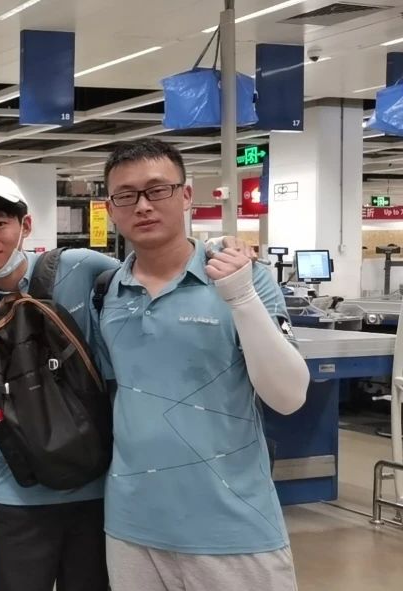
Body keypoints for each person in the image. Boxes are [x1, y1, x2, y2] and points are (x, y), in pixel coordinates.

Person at [94, 139, 309, 590]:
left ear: (186, 195)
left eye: (158, 190)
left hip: (233, 527)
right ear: (111, 209)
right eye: (126, 195)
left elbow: (289, 397)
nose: (143, 206)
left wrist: (241, 297)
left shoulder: (245, 279)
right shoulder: (107, 292)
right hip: (132, 527)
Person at [0, 173, 115, 591]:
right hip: (19, 491)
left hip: (97, 488)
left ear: (26, 225)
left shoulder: (79, 267)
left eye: (0, 223)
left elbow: (146, 275)